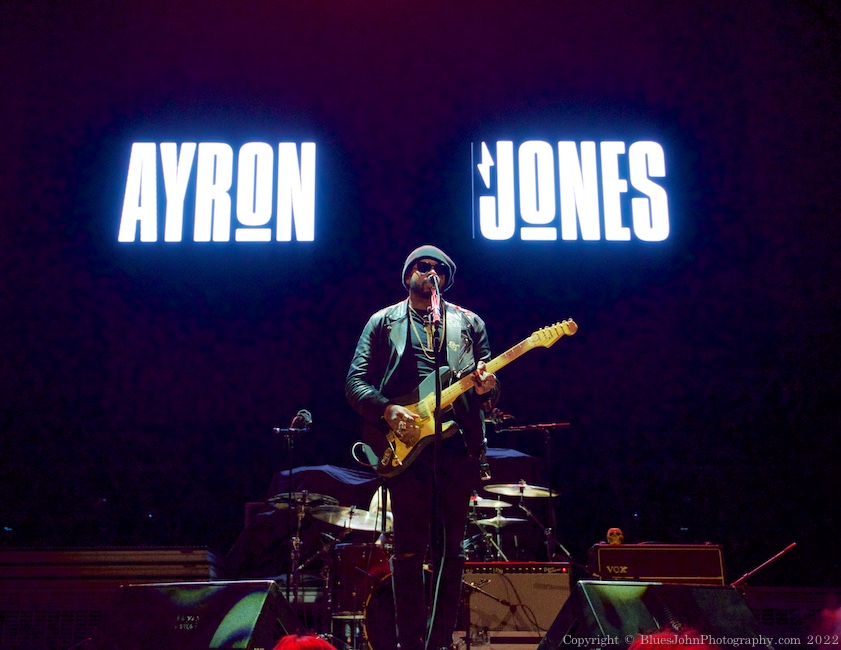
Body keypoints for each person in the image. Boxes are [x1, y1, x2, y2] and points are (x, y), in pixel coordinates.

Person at [345, 245, 499, 650]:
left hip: (457, 446)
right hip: (406, 448)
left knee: (452, 553)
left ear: (445, 280)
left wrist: (488, 387)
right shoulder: (382, 322)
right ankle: (409, 643)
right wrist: (388, 410)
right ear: (406, 274)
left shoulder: (468, 322)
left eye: (438, 269)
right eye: (421, 265)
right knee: (409, 550)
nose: (429, 272)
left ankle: (440, 643)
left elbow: (487, 387)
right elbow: (355, 383)